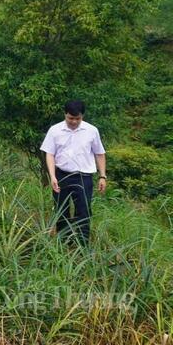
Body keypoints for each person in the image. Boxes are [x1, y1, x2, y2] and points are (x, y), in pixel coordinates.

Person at [40, 100, 107, 244]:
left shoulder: (91, 130)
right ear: (65, 114)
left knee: (83, 211)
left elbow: (99, 153)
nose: (74, 121)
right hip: (61, 175)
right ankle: (64, 242)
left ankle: (83, 244)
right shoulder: (55, 130)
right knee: (61, 210)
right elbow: (50, 154)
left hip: (84, 177)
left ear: (82, 116)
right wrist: (52, 176)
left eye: (78, 118)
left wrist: (102, 176)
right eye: (71, 118)